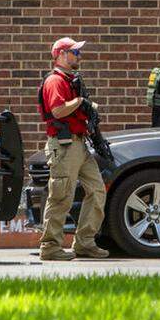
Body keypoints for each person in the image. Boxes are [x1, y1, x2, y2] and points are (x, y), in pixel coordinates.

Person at [35, 37, 109, 261]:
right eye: (74, 52)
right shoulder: (55, 81)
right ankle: (50, 247)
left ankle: (85, 242)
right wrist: (80, 102)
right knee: (61, 196)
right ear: (60, 54)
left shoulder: (71, 80)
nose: (79, 56)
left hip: (79, 144)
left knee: (97, 190)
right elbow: (57, 111)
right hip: (64, 145)